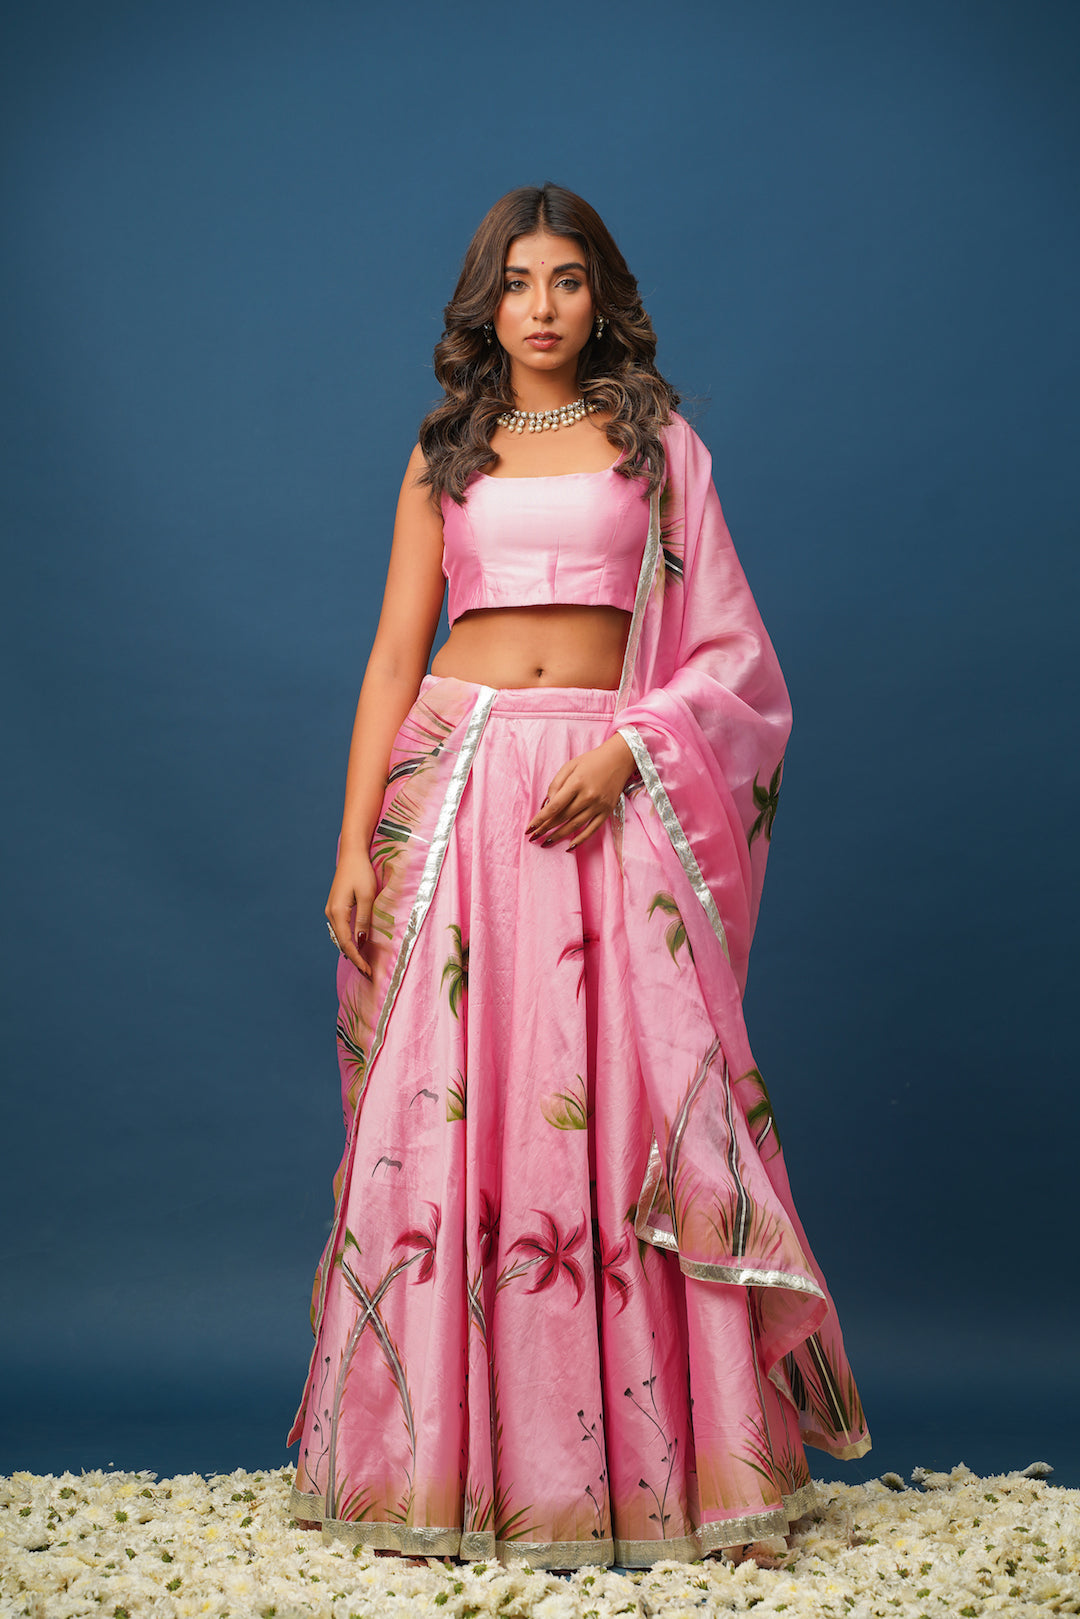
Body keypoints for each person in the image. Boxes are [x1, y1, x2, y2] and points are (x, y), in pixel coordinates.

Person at [287, 183, 870, 1571]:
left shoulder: (662, 449)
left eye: (566, 280)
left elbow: (733, 661)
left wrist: (634, 748)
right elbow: (390, 654)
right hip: (469, 794)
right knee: (460, 1113)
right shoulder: (448, 453)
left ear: (601, 294)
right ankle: (445, 1474)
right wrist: (348, 841)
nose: (541, 307)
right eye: (517, 282)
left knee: (627, 1107)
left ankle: (675, 1480)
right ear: (484, 303)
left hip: (604, 794)